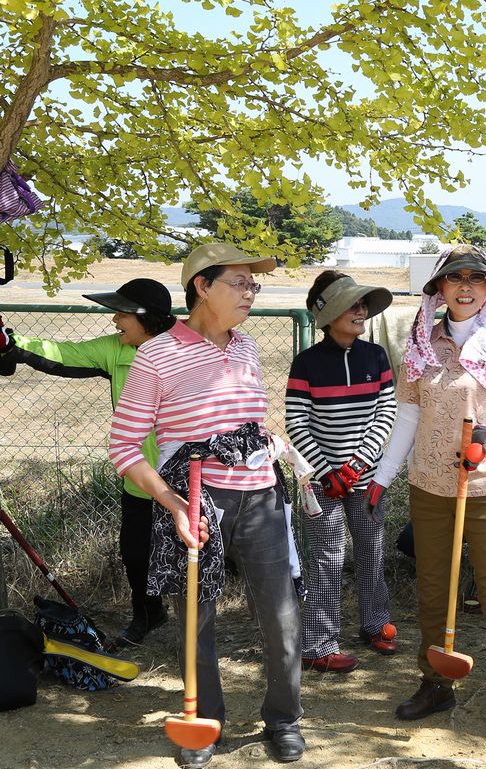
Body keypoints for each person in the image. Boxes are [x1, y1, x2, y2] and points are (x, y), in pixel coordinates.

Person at [109, 244, 305, 768]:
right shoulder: (157, 354)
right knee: (197, 619)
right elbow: (125, 447)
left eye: (254, 285)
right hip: (196, 498)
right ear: (202, 285)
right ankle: (205, 721)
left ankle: (284, 720)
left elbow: (253, 422)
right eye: (240, 282)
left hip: (262, 494)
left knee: (282, 616)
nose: (251, 293)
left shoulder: (246, 348)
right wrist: (173, 505)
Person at [369, 245, 486, 754]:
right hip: (427, 485)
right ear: (438, 289)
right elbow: (408, 416)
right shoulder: (421, 343)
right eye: (454, 279)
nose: (465, 287)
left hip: (485, 487)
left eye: (476, 279)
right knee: (432, 590)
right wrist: (383, 476)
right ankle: (436, 683)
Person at [0, 280, 176, 648]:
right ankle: (148, 614)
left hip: (190, 478)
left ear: (147, 318)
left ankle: (200, 629)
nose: (114, 320)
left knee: (197, 554)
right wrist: (13, 345)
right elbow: (62, 353)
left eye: (122, 313)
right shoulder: (116, 350)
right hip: (140, 479)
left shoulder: (186, 348)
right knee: (135, 554)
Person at [285, 271, 397, 674]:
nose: (360, 311)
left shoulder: (376, 357)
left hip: (366, 480)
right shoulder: (307, 363)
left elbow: (386, 412)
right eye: (351, 304)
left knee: (372, 550)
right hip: (322, 486)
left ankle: (373, 623)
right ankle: (318, 643)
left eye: (363, 304)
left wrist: (356, 465)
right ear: (327, 315)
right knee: (328, 559)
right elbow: (296, 422)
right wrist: (327, 471)